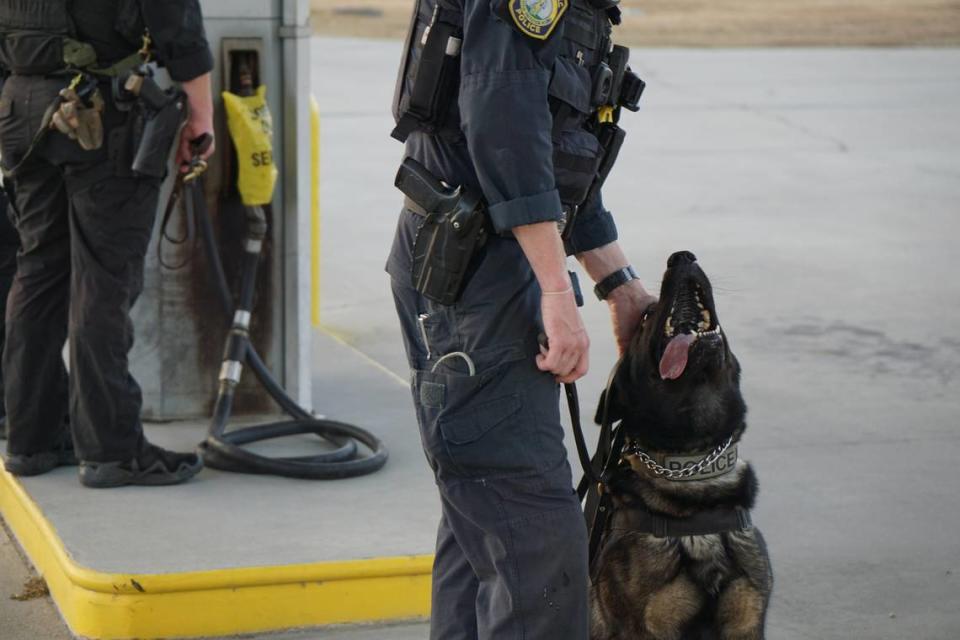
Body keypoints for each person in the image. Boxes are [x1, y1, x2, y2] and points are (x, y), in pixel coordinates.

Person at [387, 0, 656, 636]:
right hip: (479, 279)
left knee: (484, 516)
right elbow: (503, 132)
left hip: (489, 267)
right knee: (534, 543)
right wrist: (556, 291)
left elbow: (556, 159)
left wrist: (615, 281)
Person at [0, 0, 215, 487]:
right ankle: (112, 450)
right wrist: (201, 114)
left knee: (37, 271)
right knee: (103, 280)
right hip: (103, 114)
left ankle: (31, 438)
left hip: (21, 108)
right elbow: (176, 20)